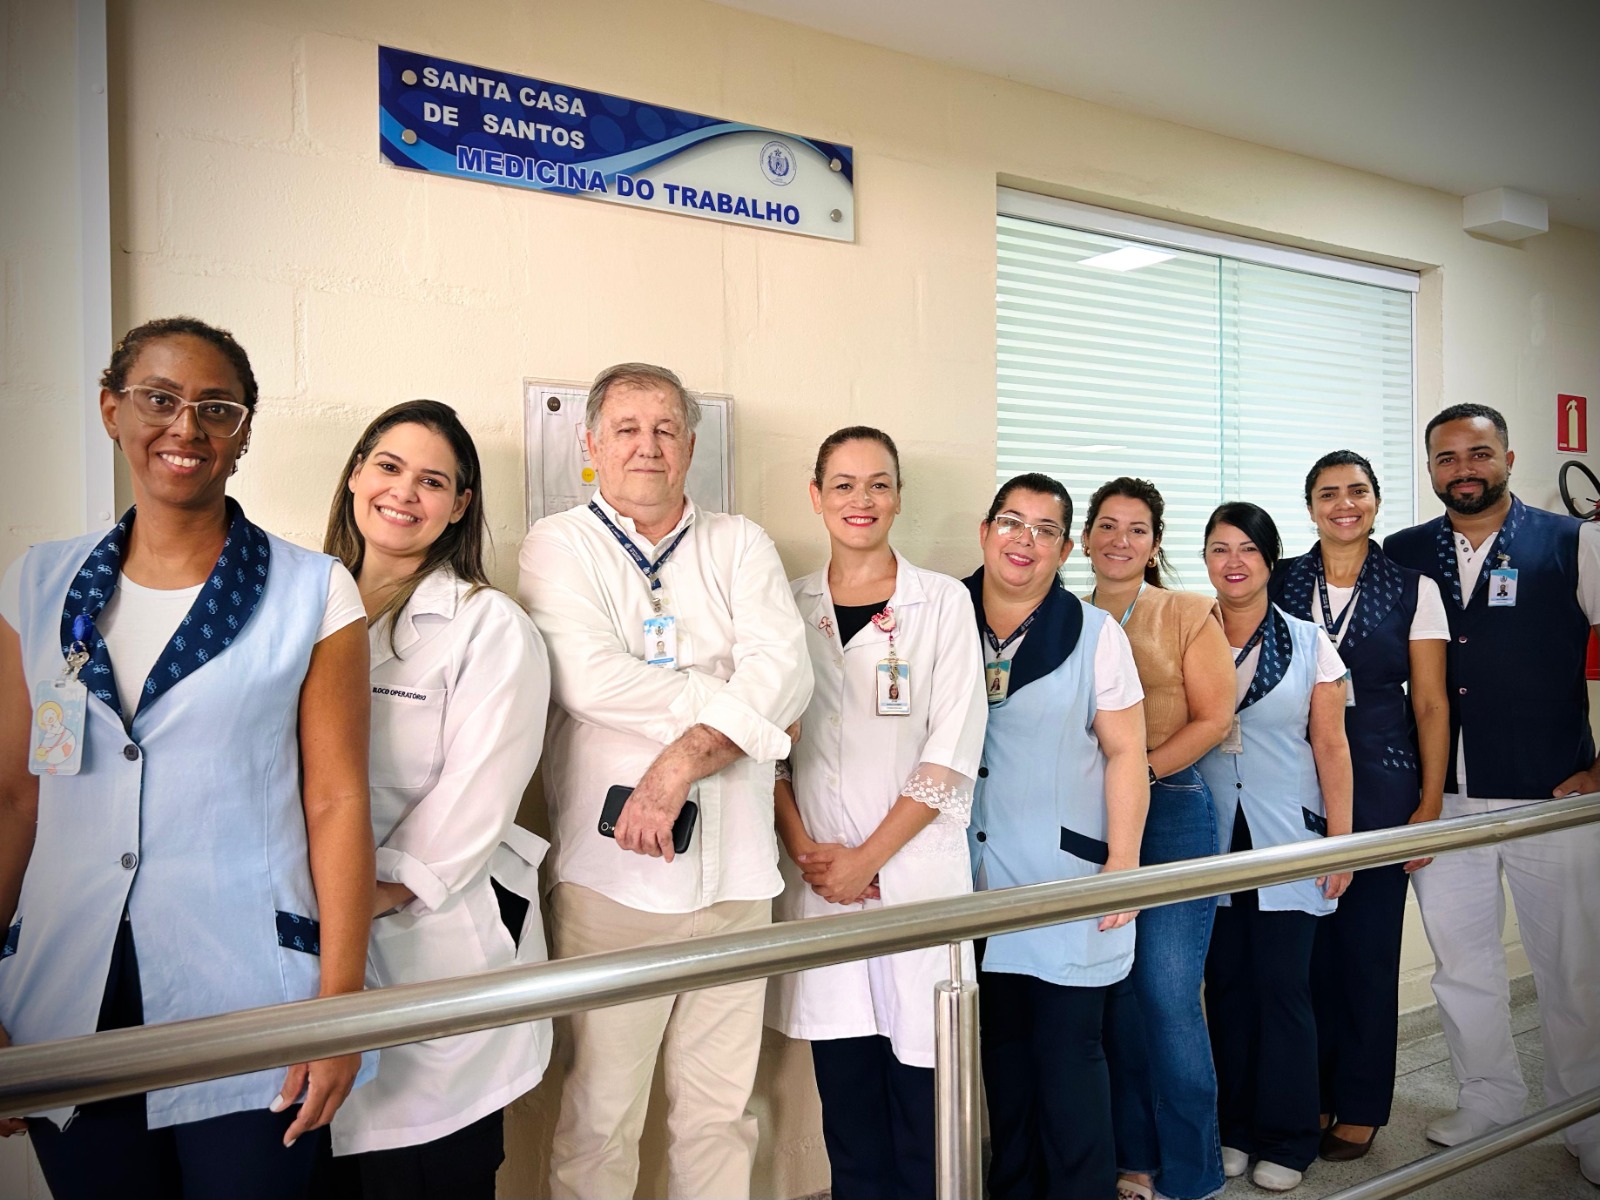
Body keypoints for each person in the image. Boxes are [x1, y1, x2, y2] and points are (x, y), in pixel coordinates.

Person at [0, 317, 374, 1199]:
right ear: (112, 410)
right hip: (68, 993)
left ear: (242, 433)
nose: (186, 427)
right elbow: (15, 799)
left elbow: (337, 803)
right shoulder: (38, 584)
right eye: (159, 399)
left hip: (246, 993)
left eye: (217, 408)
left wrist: (342, 1010)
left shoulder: (313, 590)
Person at [518, 362, 812, 1200]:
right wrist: (746, 713)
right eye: (626, 429)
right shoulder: (558, 544)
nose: (646, 446)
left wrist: (681, 759)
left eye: (665, 429)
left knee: (721, 1116)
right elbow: (589, 680)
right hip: (615, 886)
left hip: (739, 881)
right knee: (600, 1118)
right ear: (591, 444)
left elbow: (788, 672)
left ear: (689, 444)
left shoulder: (740, 542)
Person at [319, 401, 553, 1198]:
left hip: (428, 945)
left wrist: (361, 899)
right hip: (308, 949)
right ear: (356, 474)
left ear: (459, 506)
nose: (403, 492)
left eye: (432, 481)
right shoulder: (297, 604)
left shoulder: (488, 626)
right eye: (389, 467)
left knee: (425, 1172)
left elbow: (478, 795)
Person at [767, 427, 987, 1200]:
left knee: (927, 1101)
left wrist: (866, 860)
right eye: (844, 484)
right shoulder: (785, 605)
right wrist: (809, 851)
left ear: (897, 497)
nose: (861, 500)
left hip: (916, 880)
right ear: (816, 495)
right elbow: (766, 748)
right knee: (849, 1104)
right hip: (823, 885)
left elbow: (950, 752)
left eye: (879, 484)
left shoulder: (944, 602)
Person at [1383, 403, 1600, 1184]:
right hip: (1441, 800)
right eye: (1446, 458)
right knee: (1462, 965)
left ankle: (1587, 1118)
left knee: (1572, 970)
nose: (1463, 469)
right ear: (1430, 469)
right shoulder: (1404, 552)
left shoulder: (1574, 541)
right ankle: (1490, 1099)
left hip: (1554, 795)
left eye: (1478, 453)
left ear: (1508, 457)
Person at [964, 473, 1150, 1200]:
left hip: (1066, 878)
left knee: (1069, 1061)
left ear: (1066, 549)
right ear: (986, 532)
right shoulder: (941, 616)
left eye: (1046, 530)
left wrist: (1125, 865)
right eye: (1012, 522)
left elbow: (1127, 753)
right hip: (972, 883)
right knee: (1003, 1063)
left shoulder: (1096, 634)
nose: (1026, 540)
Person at [1270, 450, 1449, 1162]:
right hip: (1292, 779)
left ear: (1375, 500)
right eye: (1328, 493)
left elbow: (1430, 703)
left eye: (1357, 491)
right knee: (1304, 953)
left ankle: (1362, 1102)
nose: (1344, 504)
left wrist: (1429, 802)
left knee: (1367, 953)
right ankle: (1309, 1089)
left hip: (1380, 777)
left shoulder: (1413, 587)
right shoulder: (1280, 577)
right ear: (1310, 506)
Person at [1080, 478, 1234, 1200]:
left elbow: (1214, 719)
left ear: (1155, 543)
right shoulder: (1064, 615)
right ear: (1085, 538)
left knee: (1167, 997)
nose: (1120, 540)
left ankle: (1195, 1172)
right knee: (1112, 999)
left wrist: (1137, 772)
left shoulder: (1186, 612)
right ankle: (1134, 1161)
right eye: (1107, 526)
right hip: (1086, 818)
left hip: (1169, 809)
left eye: (1136, 529)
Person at [1196, 501, 1353, 1193]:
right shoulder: (1189, 630)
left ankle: (1290, 1137)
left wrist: (1341, 845)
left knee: (1283, 989)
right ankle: (1235, 1128)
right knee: (1226, 988)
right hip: (1208, 838)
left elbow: (1331, 744)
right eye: (1220, 549)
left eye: (1248, 550)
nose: (1233, 562)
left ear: (1269, 560)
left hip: (1287, 834)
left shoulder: (1310, 641)